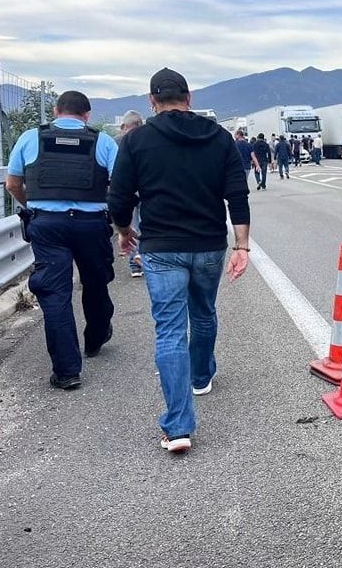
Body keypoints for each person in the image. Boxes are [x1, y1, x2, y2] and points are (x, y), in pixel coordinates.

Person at [108, 68, 251, 454]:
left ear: (151, 101)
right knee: (203, 312)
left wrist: (124, 231)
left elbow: (119, 197)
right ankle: (201, 375)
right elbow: (237, 195)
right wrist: (242, 246)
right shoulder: (219, 138)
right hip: (208, 245)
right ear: (188, 97)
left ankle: (178, 427)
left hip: (161, 247)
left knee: (169, 330)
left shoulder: (137, 140)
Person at [5, 91, 117, 390]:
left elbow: (12, 183)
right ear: (87, 115)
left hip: (48, 225)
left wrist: (30, 204)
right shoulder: (103, 141)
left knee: (55, 294)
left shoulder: (31, 138)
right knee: (96, 282)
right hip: (91, 226)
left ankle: (67, 371)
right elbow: (119, 186)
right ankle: (95, 339)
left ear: (55, 111)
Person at [116, 110, 145, 277]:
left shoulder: (116, 141)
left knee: (130, 226)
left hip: (126, 191)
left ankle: (135, 264)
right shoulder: (149, 139)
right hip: (146, 190)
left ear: (123, 126)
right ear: (140, 123)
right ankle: (144, 256)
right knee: (145, 224)